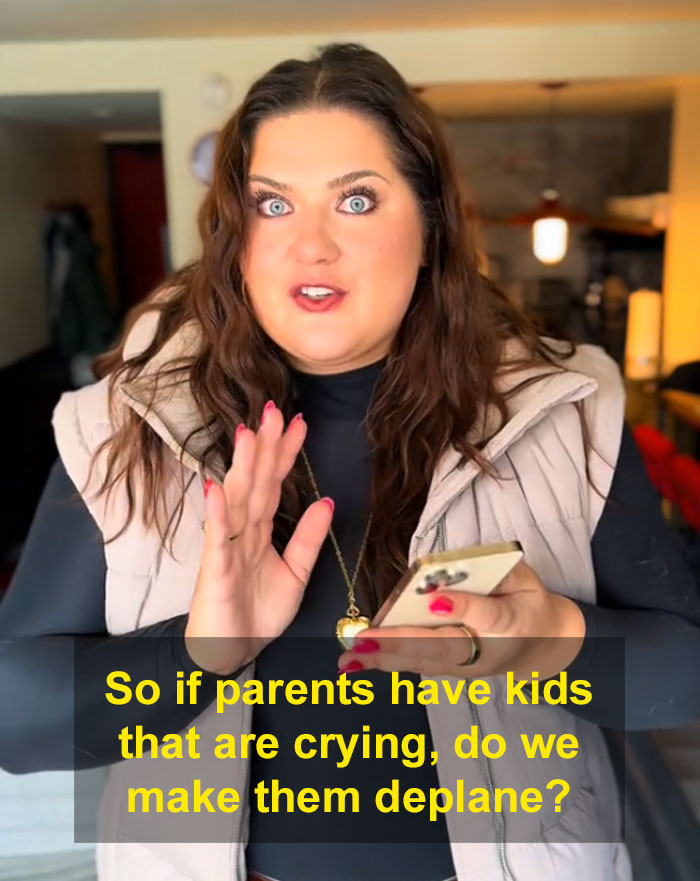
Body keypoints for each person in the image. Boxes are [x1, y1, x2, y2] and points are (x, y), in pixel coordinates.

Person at [1, 41, 700, 881]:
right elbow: (15, 718)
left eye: (357, 199)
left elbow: (682, 673)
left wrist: (548, 638)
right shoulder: (129, 424)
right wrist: (195, 654)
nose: (311, 246)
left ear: (431, 226)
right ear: (236, 236)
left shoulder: (566, 409)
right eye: (272, 205)